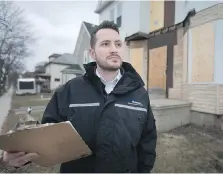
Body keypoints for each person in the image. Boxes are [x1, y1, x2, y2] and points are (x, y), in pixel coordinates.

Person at [3, 20, 157, 173]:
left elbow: (147, 142)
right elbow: (43, 139)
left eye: (118, 44)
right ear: (92, 53)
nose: (114, 49)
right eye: (105, 44)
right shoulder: (69, 91)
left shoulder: (139, 93)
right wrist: (20, 157)